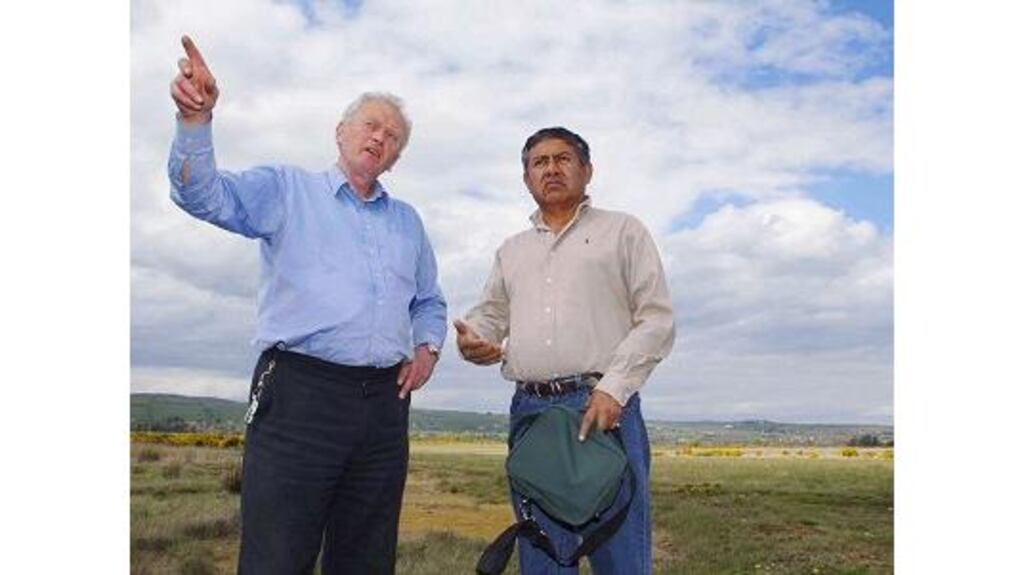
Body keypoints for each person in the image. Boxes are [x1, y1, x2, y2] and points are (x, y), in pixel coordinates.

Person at [167, 35, 447, 574]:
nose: (380, 137)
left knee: (366, 557)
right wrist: (195, 123)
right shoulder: (287, 190)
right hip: (299, 395)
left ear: (396, 157)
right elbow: (202, 195)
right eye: (371, 125)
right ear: (341, 132)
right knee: (278, 554)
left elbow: (429, 299)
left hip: (384, 407)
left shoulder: (408, 221)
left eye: (392, 136)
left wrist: (428, 347)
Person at [456, 127, 675, 574]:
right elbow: (490, 315)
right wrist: (474, 338)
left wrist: (614, 389)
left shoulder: (623, 231)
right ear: (526, 178)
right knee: (543, 555)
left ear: (587, 170)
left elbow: (656, 318)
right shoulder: (511, 250)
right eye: (539, 162)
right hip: (531, 415)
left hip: (601, 411)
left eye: (563, 159)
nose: (551, 169)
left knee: (622, 554)